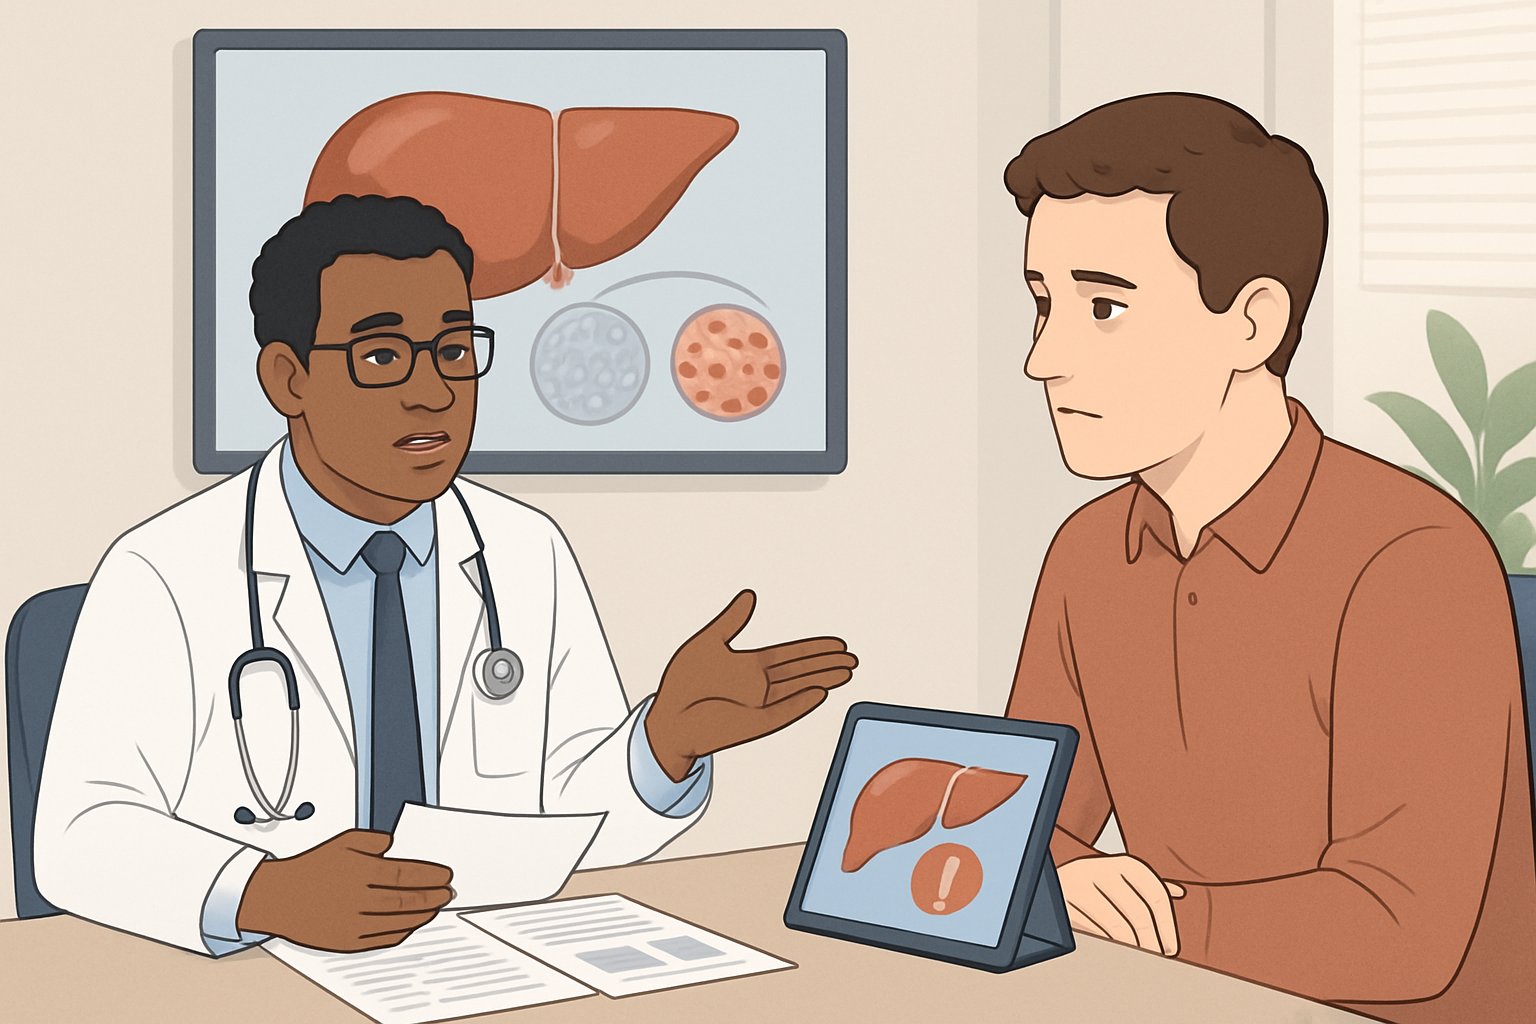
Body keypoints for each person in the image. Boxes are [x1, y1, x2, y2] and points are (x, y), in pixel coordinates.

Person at [34, 194, 857, 956]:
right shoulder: (163, 570)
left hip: (478, 971)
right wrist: (261, 894)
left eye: (454, 350)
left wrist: (662, 744)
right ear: (288, 378)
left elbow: (572, 820)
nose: (432, 392)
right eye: (382, 354)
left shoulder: (524, 551)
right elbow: (77, 837)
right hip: (263, 981)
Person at [1002, 93, 1535, 1022]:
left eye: (1104, 307)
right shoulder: (1087, 555)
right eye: (1043, 304)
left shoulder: (1413, 560)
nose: (1043, 359)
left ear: (1251, 323)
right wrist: (1071, 882)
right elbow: (1027, 824)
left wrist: (1144, 919)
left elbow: (1401, 930)